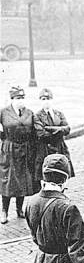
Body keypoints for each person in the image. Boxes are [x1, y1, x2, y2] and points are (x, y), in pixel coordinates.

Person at [0, 86, 37, 224]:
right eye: (17, 98)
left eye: (22, 98)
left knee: (22, 181)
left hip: (25, 151)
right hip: (10, 151)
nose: (20, 100)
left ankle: (19, 209)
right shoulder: (4, 112)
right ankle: (4, 211)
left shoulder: (29, 113)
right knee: (8, 181)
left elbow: (33, 132)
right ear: (12, 99)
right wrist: (4, 139)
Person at [33, 88, 75, 189]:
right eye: (43, 99)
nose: (46, 101)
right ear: (40, 101)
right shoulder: (37, 116)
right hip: (45, 149)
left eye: (48, 99)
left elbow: (67, 128)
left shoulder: (58, 114)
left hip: (60, 147)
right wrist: (59, 131)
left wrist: (50, 128)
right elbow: (41, 134)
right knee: (46, 174)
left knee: (62, 170)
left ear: (52, 100)